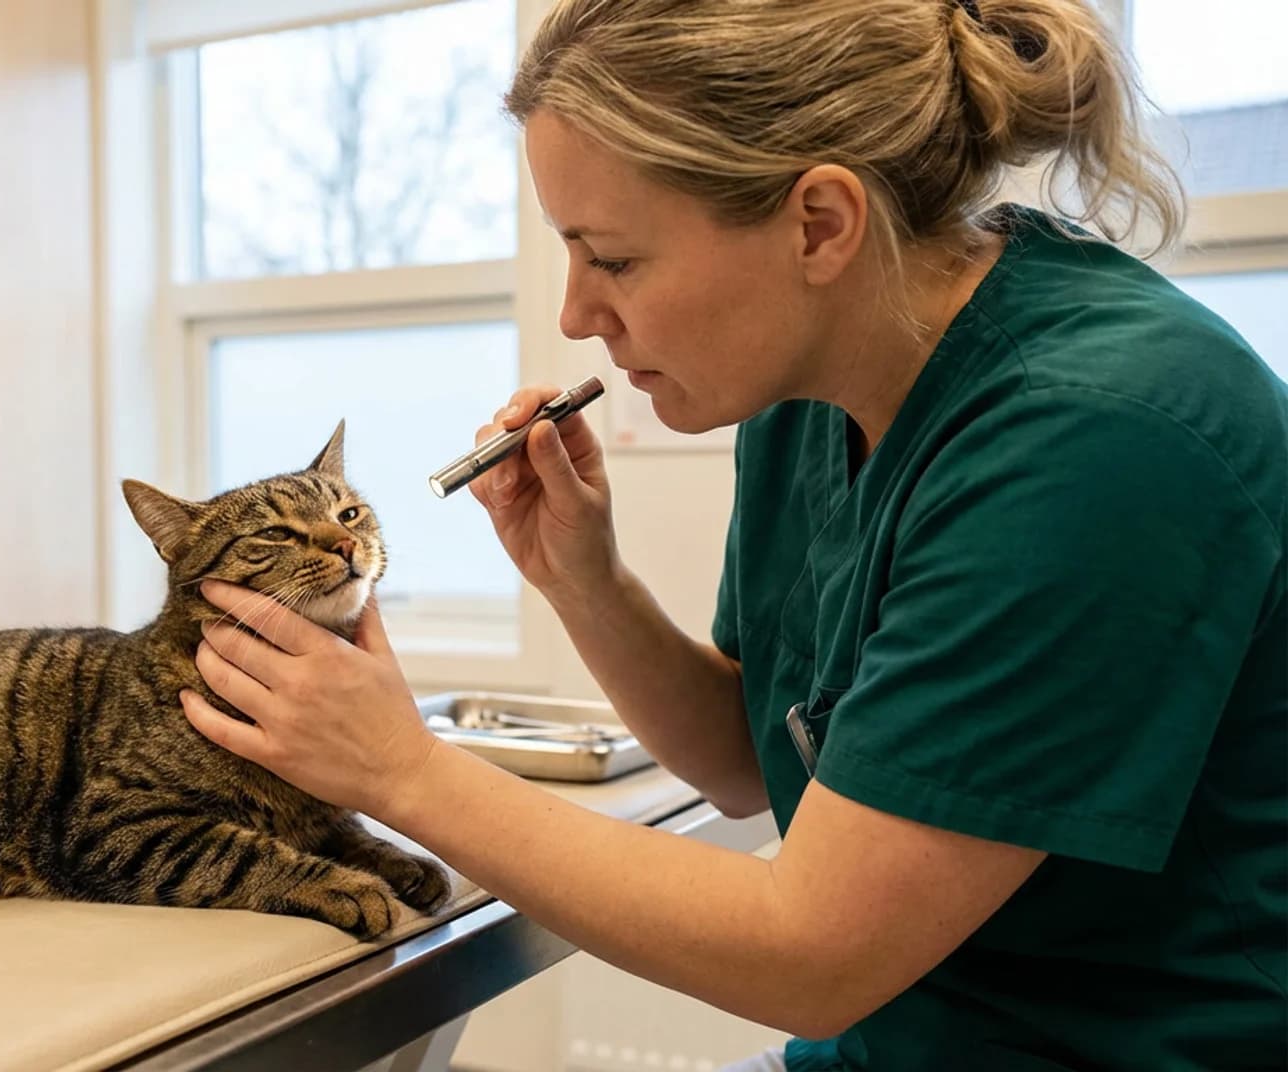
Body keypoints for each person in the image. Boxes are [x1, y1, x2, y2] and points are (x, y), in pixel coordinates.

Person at [177, 0, 1288, 1067]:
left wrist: (401, 770)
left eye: (611, 257)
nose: (576, 313)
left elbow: (811, 951)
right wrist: (585, 579)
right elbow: (743, 762)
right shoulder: (810, 392)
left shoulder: (1097, 436)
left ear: (820, 224)